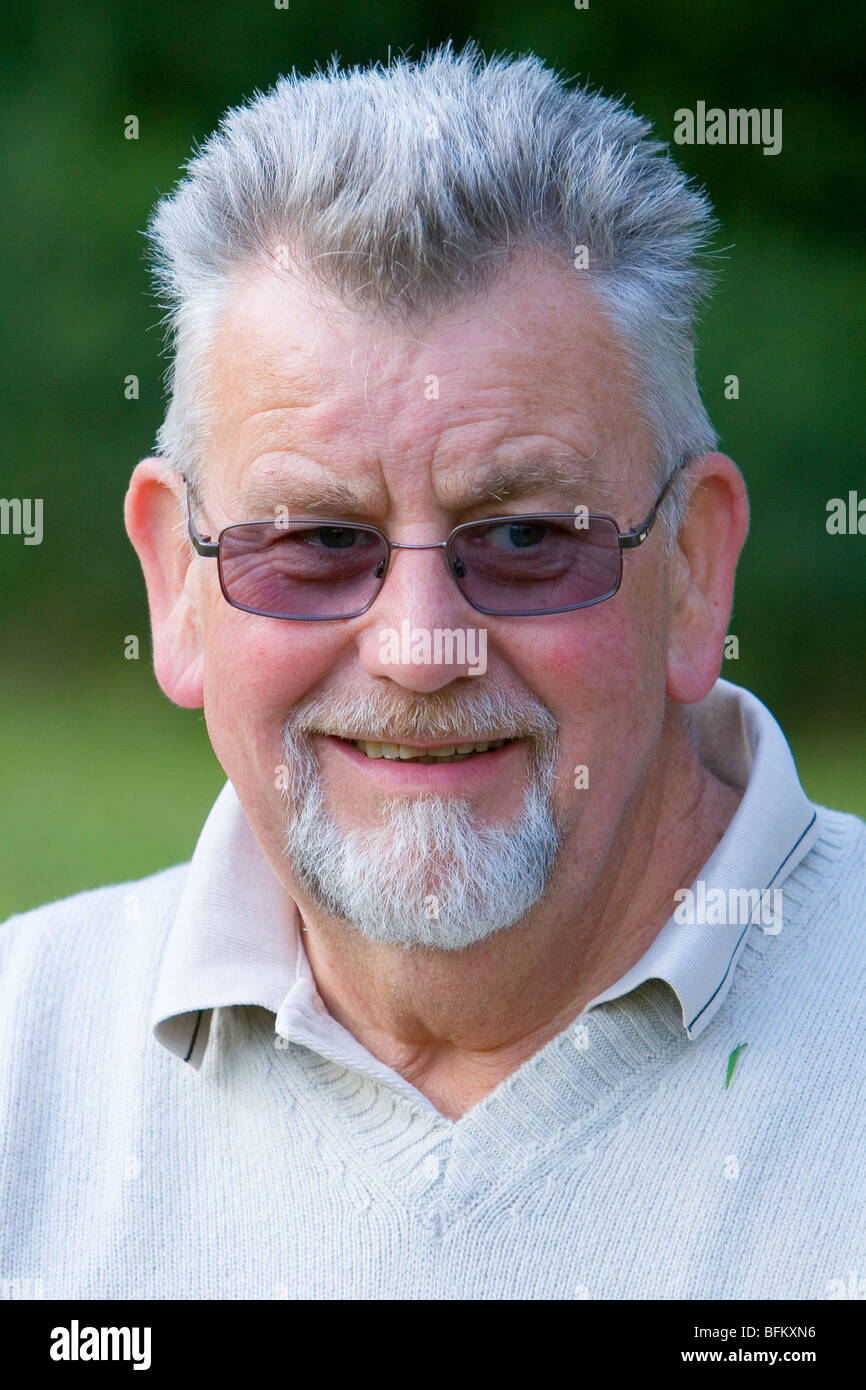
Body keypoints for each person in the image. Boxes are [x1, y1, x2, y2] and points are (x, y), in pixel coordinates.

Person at [1, 40, 863, 1301]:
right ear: (174, 586)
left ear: (692, 570)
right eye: (314, 541)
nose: (417, 648)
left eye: (521, 538)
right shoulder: (18, 1063)